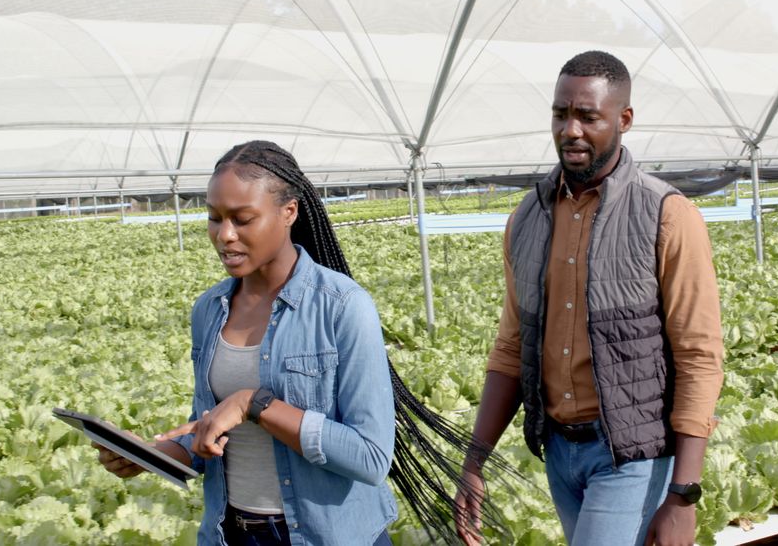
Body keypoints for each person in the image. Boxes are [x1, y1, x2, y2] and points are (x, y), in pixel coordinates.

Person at [95, 141, 504, 545]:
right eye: (214, 218)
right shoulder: (210, 309)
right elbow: (209, 431)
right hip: (230, 531)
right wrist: (154, 455)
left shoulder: (342, 306)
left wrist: (254, 404)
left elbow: (371, 457)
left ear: (288, 212)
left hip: (326, 536)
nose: (225, 235)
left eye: (242, 219)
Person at [453, 51, 724, 546]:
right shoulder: (527, 220)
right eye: (561, 114)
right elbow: (512, 348)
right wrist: (474, 461)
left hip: (632, 455)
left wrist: (683, 494)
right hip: (560, 452)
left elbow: (699, 356)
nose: (570, 129)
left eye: (588, 116)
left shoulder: (667, 215)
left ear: (623, 120)